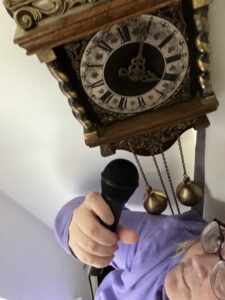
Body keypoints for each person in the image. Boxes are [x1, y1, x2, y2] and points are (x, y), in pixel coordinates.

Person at [55, 192, 225, 300]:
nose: (197, 260)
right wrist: (80, 230)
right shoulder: (167, 242)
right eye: (220, 242)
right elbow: (72, 214)